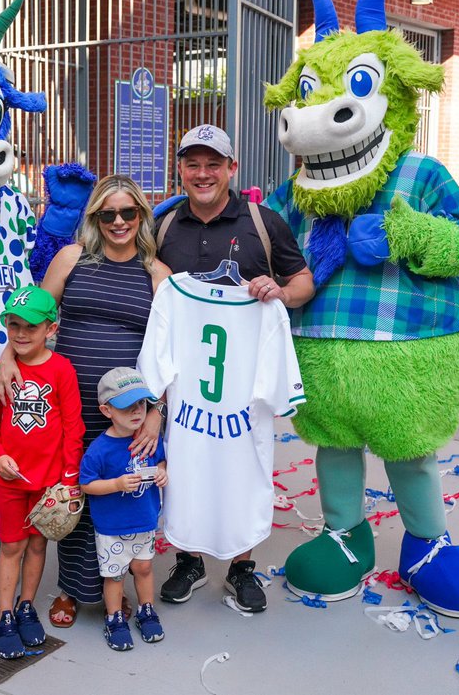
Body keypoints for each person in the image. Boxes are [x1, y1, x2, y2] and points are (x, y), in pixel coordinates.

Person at [0, 175, 170, 629]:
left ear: (140, 217)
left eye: (127, 212)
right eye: (106, 213)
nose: (117, 221)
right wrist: (8, 356)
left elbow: (173, 352)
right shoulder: (71, 259)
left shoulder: (156, 273)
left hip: (128, 414)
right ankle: (73, 590)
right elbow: (32, 313)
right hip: (66, 406)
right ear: (93, 217)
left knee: (122, 501)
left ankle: (118, 591)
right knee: (71, 493)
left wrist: (155, 413)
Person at [153, 124, 315, 612]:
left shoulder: (262, 223)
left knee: (244, 465)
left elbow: (303, 280)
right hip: (187, 381)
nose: (203, 174)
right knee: (183, 464)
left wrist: (281, 294)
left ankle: (242, 566)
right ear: (180, 169)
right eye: (192, 163)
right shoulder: (163, 226)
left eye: (213, 164)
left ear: (231, 169)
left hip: (242, 385)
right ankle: (189, 560)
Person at [0, 285, 85, 660]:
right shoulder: (1, 369)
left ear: (50, 329)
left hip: (50, 482)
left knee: (38, 544)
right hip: (10, 480)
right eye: (13, 325)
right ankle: (4, 615)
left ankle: (27, 606)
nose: (21, 334)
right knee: (11, 546)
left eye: (30, 327)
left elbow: (74, 428)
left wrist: (69, 478)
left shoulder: (61, 370)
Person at [79, 367, 168, 651]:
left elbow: (161, 462)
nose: (136, 412)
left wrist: (163, 473)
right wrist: (116, 484)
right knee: (114, 575)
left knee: (143, 567)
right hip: (112, 527)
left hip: (144, 520)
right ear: (107, 411)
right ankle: (114, 618)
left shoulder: (148, 440)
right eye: (126, 406)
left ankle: (146, 610)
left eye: (141, 404)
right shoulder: (99, 449)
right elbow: (87, 485)